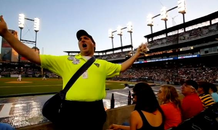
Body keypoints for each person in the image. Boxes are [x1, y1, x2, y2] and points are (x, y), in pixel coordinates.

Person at [0, 15, 148, 130]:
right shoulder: (67, 60)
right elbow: (34, 56)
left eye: (86, 38)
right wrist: (6, 34)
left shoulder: (102, 64)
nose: (82, 40)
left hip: (95, 111)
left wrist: (136, 54)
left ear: (93, 44)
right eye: (80, 39)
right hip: (71, 112)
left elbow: (122, 67)